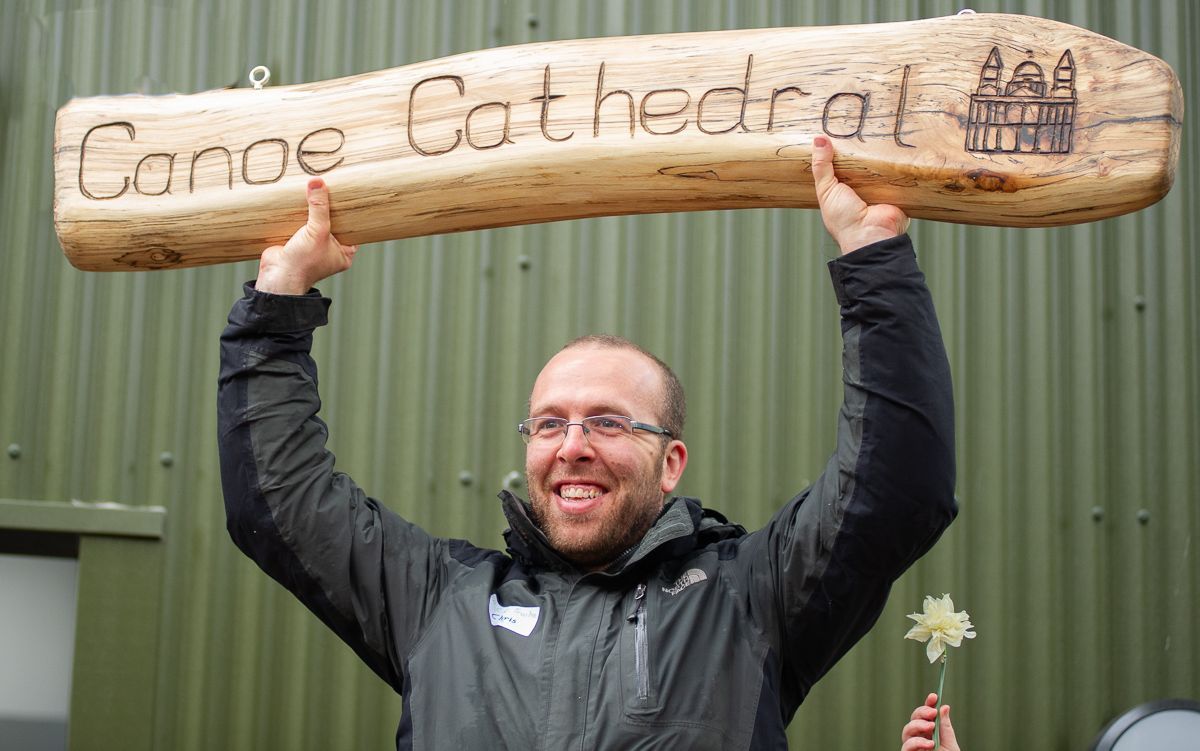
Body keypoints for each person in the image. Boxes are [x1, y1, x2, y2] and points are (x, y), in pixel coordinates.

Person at [217, 136, 957, 748]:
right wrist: (279, 296)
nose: (571, 445)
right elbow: (281, 504)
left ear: (671, 462)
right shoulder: (442, 599)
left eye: (607, 421)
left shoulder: (748, 596)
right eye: (549, 422)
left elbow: (892, 492)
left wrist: (873, 262)